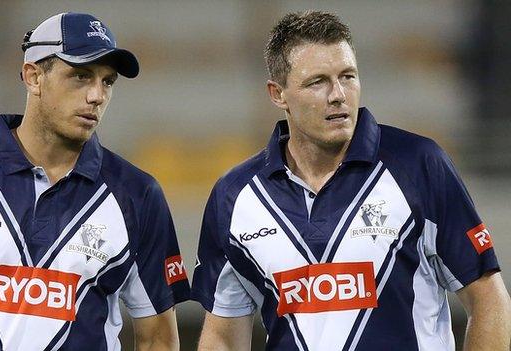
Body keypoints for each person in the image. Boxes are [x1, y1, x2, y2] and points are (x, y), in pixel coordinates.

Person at [191, 10, 511, 350]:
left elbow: (489, 299)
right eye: (318, 82)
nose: (338, 95)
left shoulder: (419, 166)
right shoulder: (236, 196)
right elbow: (223, 337)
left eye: (348, 76)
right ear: (277, 93)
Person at [0, 12, 190, 350]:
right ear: (33, 77)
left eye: (107, 81)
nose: (97, 96)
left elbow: (159, 338)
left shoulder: (138, 194)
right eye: (80, 76)